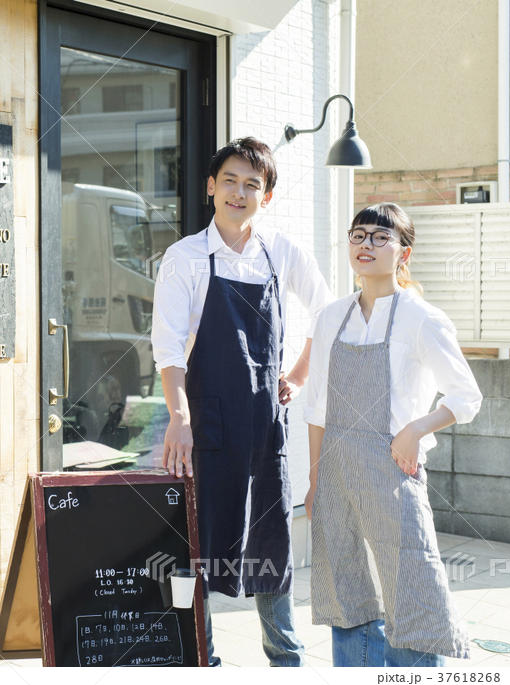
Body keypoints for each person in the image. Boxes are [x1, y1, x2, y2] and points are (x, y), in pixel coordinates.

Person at [151, 137, 333, 666]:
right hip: (204, 427)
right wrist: (179, 417)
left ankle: (287, 661)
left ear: (266, 196)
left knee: (270, 541)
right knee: (195, 546)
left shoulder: (282, 252)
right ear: (211, 186)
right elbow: (168, 347)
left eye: (252, 184)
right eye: (229, 180)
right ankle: (199, 660)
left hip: (262, 427)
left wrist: (298, 375)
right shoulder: (185, 257)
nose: (239, 192)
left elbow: (328, 313)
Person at [304, 203, 481, 667]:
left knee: (413, 597)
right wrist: (316, 480)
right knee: (346, 596)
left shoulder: (421, 318)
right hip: (336, 477)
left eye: (381, 237)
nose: (367, 244)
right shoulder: (331, 317)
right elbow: (317, 407)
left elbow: (467, 396)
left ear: (404, 253)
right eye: (359, 234)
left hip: (393, 475)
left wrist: (416, 429)